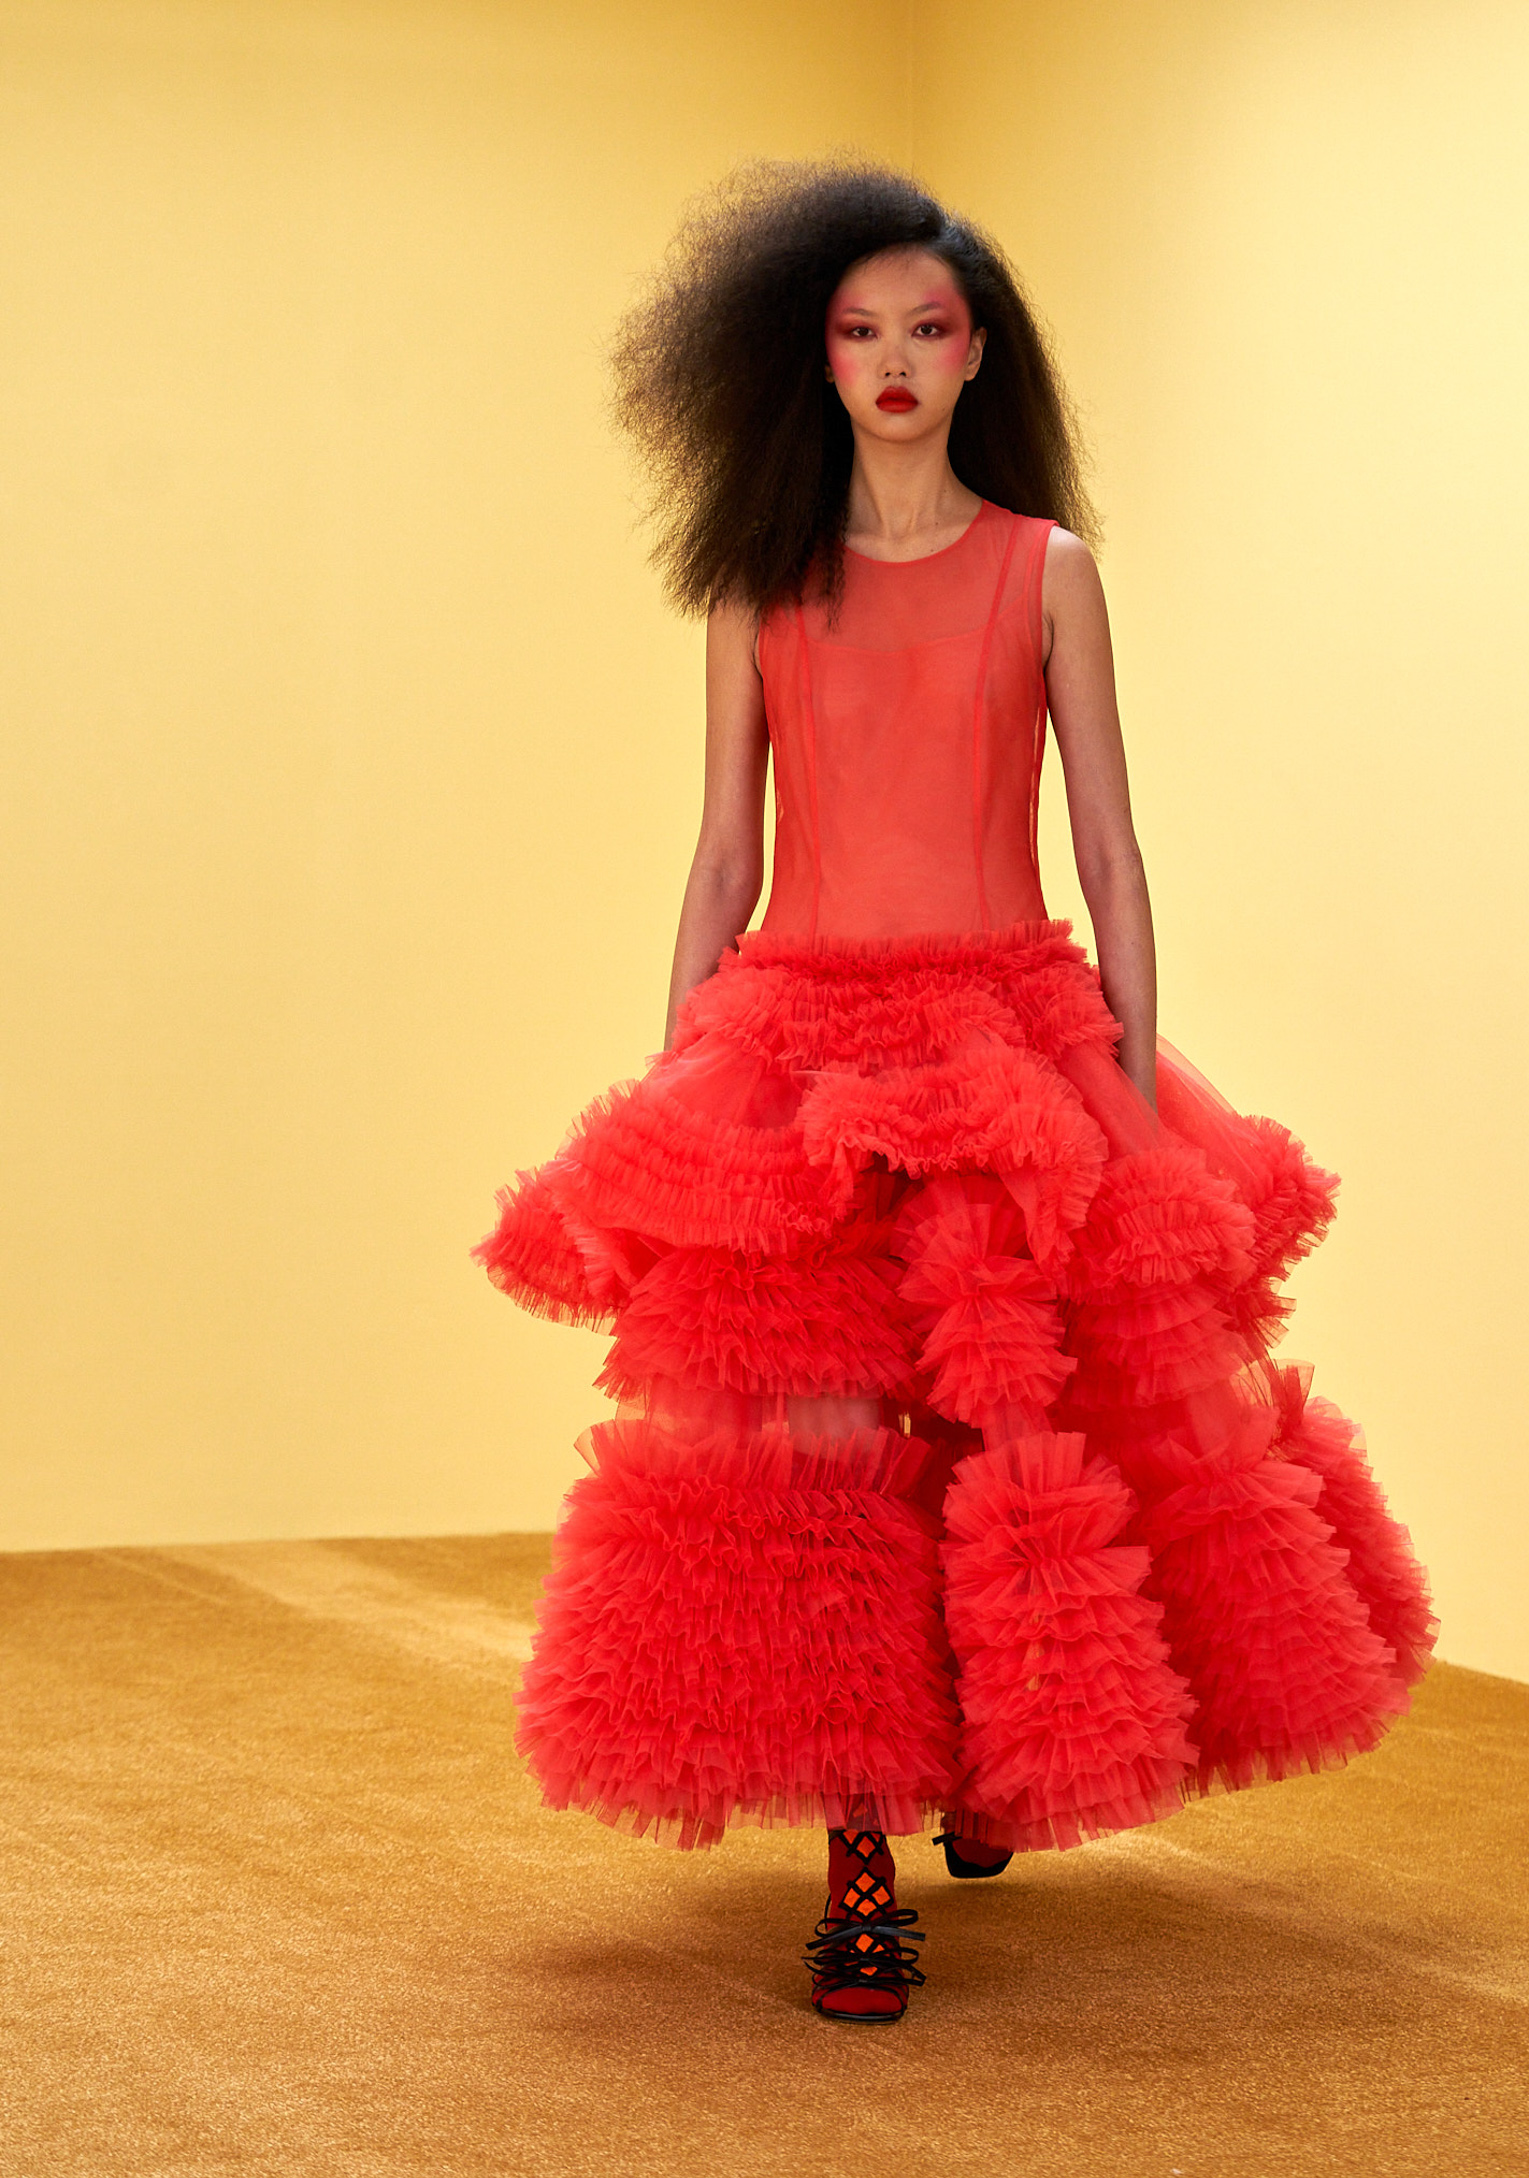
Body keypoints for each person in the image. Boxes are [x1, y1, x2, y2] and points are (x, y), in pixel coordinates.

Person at [475, 160, 1435, 2025]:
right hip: (803, 1046)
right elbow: (722, 851)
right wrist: (679, 1090)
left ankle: (998, 1762)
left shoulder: (1046, 568)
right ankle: (861, 1866)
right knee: (831, 1449)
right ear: (815, 358)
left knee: (1020, 1426)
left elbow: (1111, 844)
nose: (896, 359)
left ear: (980, 353)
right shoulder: (760, 584)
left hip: (1010, 1037)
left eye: (928, 327)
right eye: (861, 331)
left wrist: (1131, 1088)